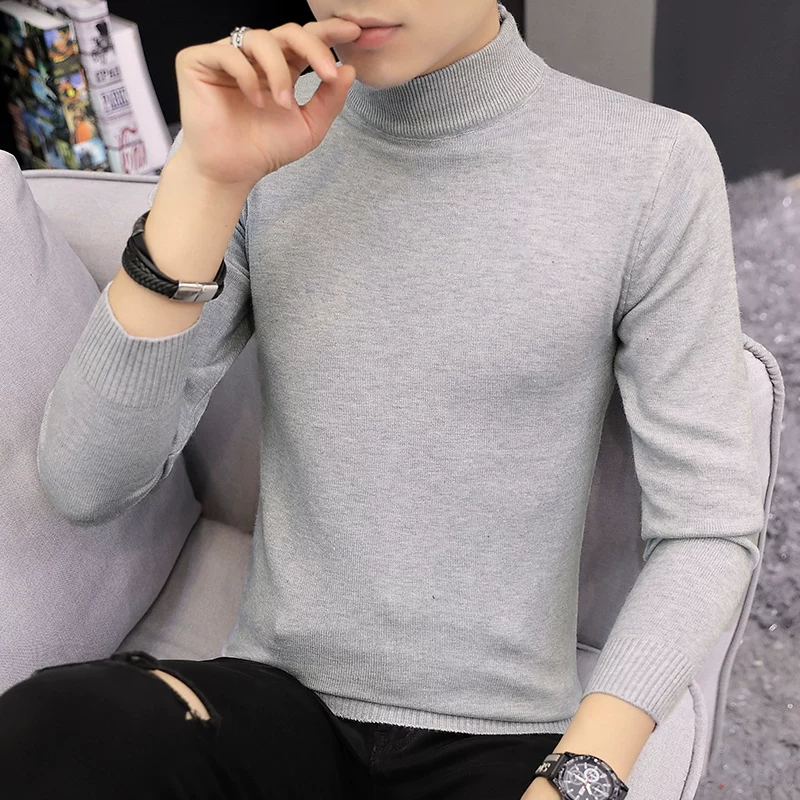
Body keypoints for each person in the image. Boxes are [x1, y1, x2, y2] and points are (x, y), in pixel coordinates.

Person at [2, 1, 764, 798]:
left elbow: (707, 524)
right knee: (53, 730)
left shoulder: (650, 163)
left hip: (502, 741)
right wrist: (202, 183)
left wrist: (583, 773)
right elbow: (86, 483)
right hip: (278, 711)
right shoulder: (256, 141)